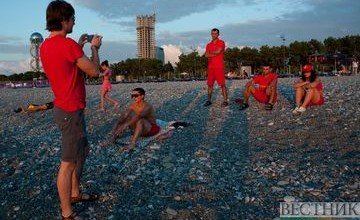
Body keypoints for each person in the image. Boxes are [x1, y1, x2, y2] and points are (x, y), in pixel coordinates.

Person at [40, 1, 102, 219]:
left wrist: (80, 44)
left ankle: (75, 193)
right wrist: (94, 48)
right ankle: (67, 213)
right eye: (73, 18)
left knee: (81, 154)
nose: (75, 21)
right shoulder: (68, 46)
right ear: (64, 20)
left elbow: (68, 63)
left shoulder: (47, 45)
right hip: (70, 110)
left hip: (65, 107)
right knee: (67, 164)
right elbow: (94, 71)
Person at [103, 88, 160, 152]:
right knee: (127, 115)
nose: (133, 98)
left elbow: (139, 117)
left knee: (140, 120)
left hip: (151, 129)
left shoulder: (147, 106)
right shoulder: (133, 105)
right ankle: (113, 138)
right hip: (139, 130)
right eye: (132, 96)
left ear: (142, 96)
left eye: (136, 95)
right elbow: (124, 115)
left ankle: (132, 144)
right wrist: (117, 125)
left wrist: (124, 125)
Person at [204, 28, 228, 107]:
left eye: (215, 34)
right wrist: (215, 53)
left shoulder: (221, 42)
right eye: (212, 33)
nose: (213, 35)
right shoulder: (208, 44)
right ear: (211, 34)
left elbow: (218, 51)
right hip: (211, 68)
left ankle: (225, 101)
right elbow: (206, 55)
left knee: (222, 85)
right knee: (210, 85)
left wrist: (211, 52)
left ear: (218, 34)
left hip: (219, 67)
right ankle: (209, 100)